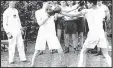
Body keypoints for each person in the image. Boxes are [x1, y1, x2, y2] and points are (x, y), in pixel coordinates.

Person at [60, 0, 111, 67]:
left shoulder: (86, 11)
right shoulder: (102, 10)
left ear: (91, 3)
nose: (87, 4)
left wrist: (61, 12)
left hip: (93, 35)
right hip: (101, 34)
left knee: (83, 52)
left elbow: (73, 14)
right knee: (106, 54)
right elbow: (106, 19)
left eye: (88, 3)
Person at [31, 1, 66, 67]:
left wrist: (55, 14)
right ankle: (32, 65)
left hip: (51, 33)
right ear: (44, 3)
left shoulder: (52, 11)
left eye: (51, 3)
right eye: (49, 3)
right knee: (37, 50)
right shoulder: (38, 12)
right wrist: (48, 15)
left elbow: (56, 18)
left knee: (60, 49)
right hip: (42, 33)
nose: (50, 4)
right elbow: (40, 23)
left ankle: (64, 65)